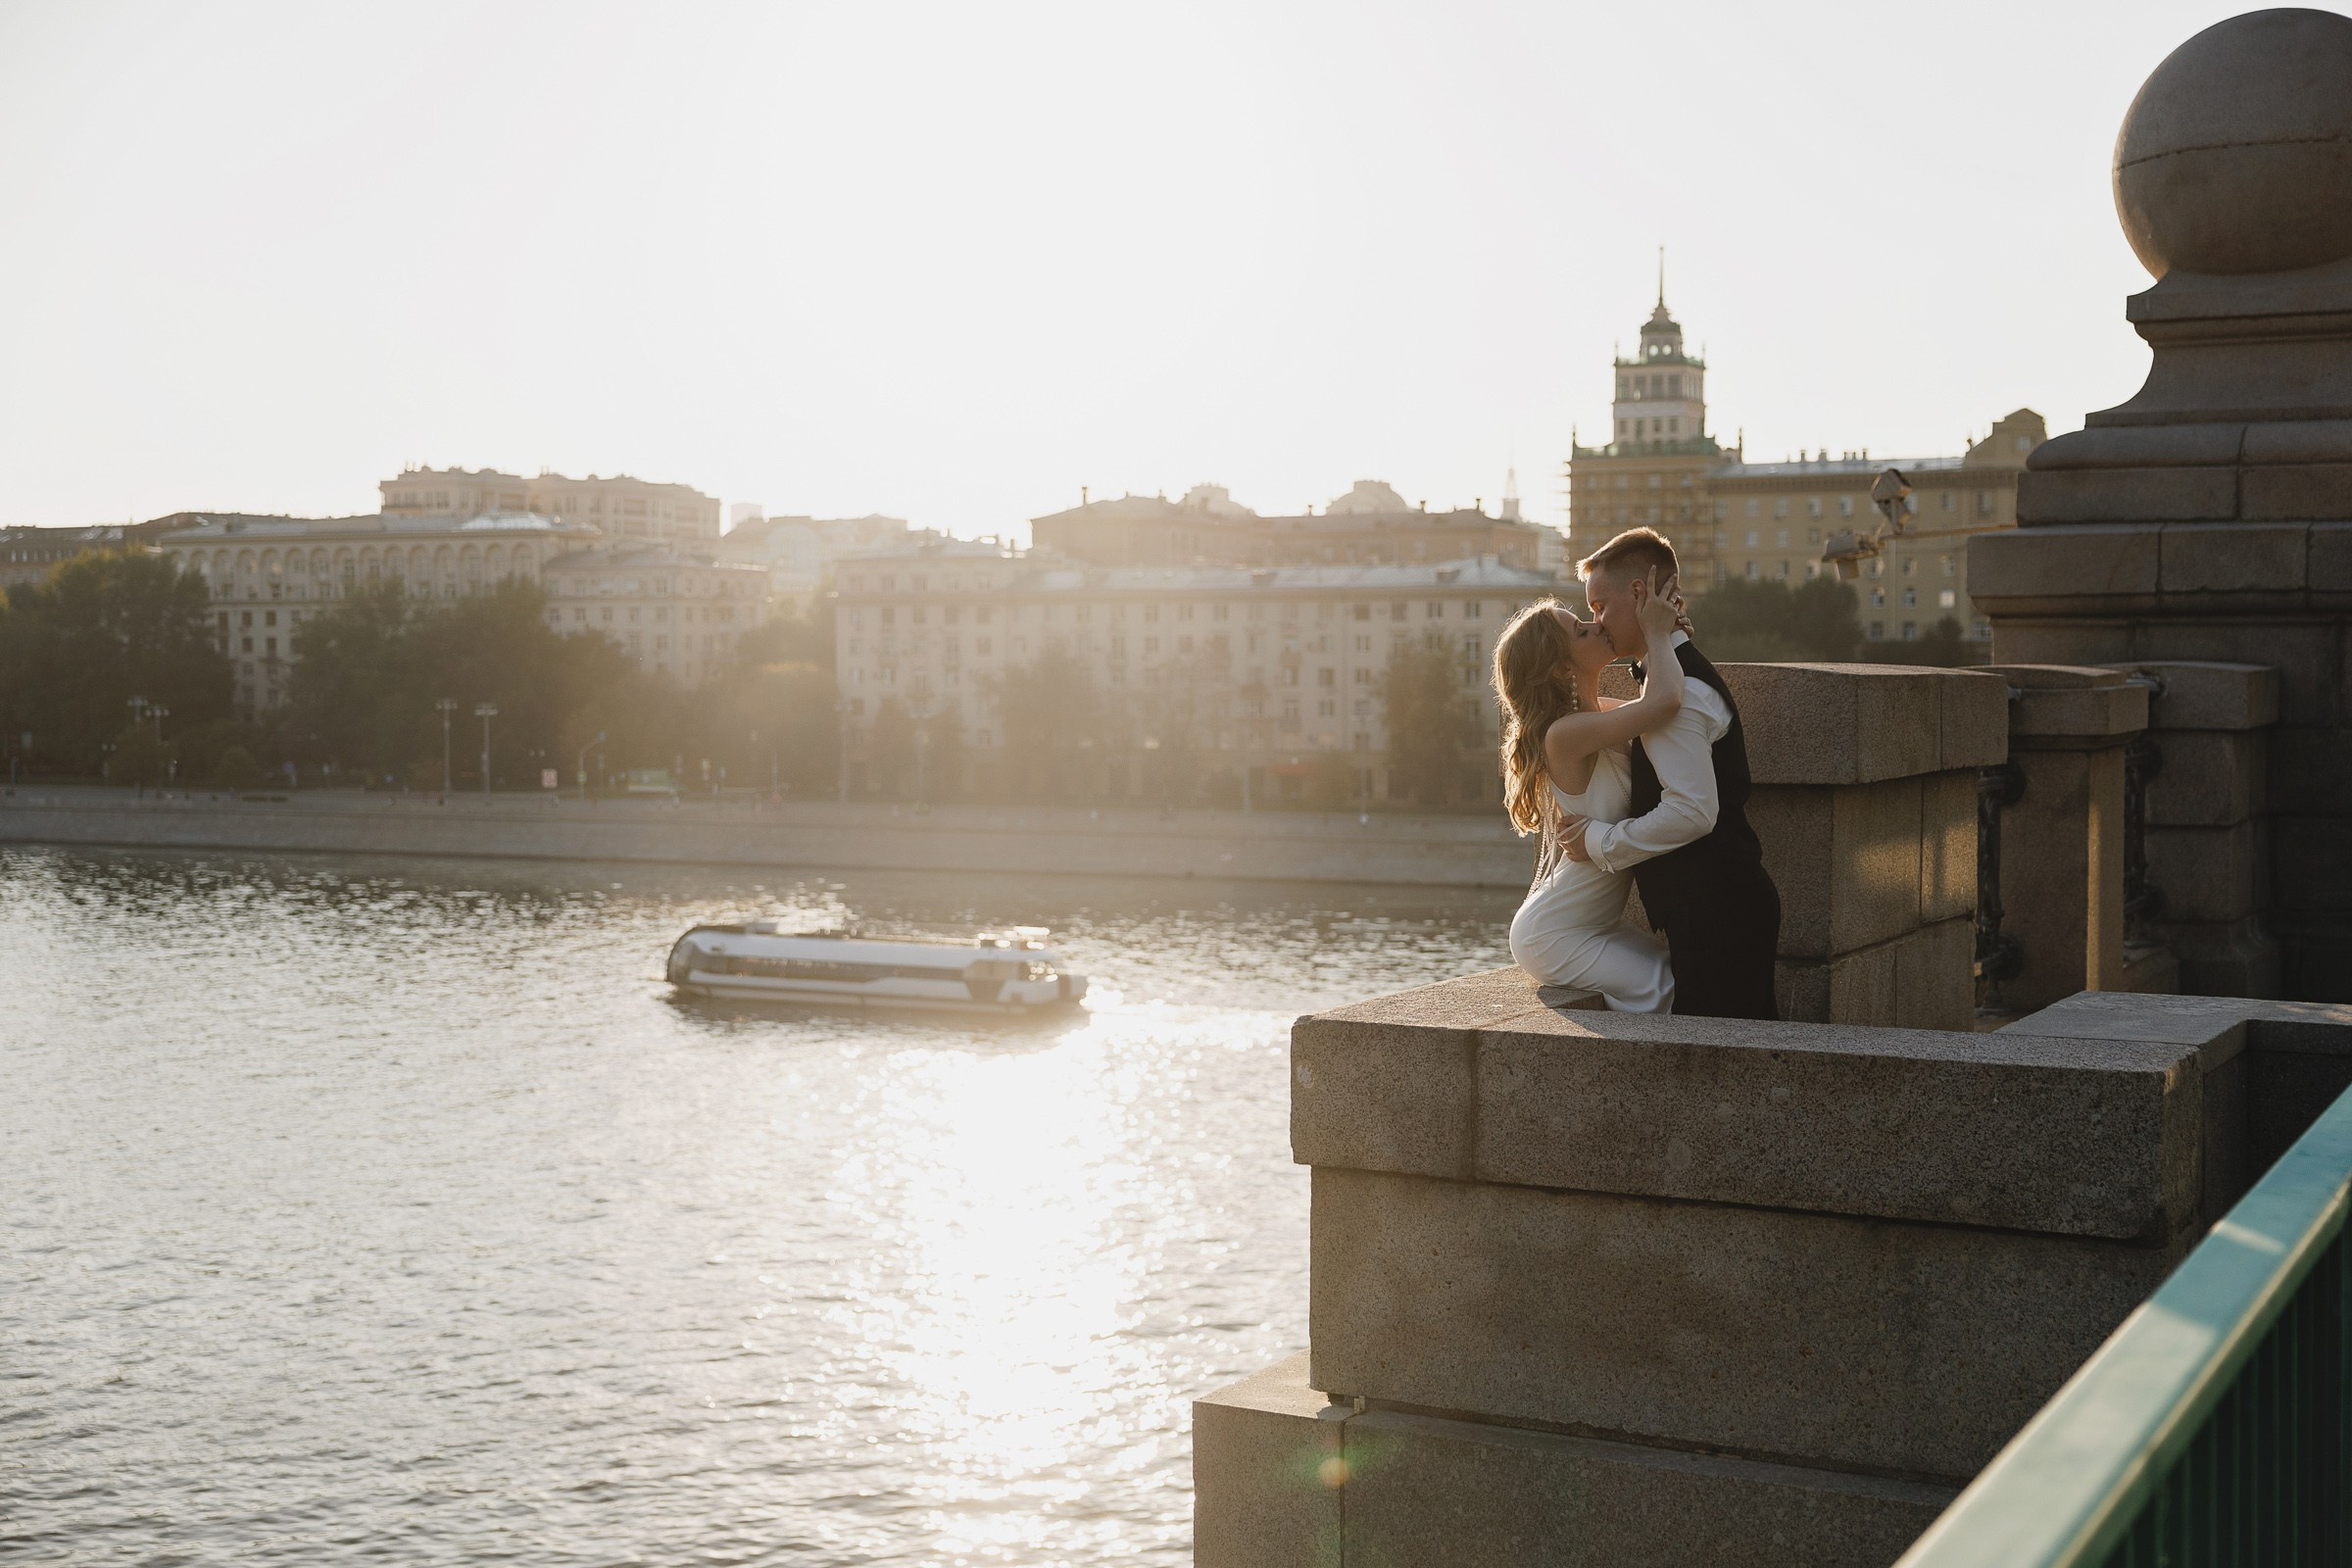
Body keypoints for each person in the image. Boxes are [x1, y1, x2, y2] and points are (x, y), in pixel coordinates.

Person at [1561, 526, 1783, 1020]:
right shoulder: (1673, 677)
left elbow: (1692, 812)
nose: (1597, 622)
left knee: (1718, 1061)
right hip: (1722, 909)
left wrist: (1600, 841)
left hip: (1717, 914)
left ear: (1639, 594)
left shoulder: (1679, 694)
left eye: (1600, 606)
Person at [1493, 572, 1690, 1010]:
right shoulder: (1564, 735)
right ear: (1563, 668)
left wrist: (1668, 637)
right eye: (1581, 631)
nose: (1596, 625)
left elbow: (1659, 697)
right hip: (1553, 934)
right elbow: (1665, 701)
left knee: (1687, 972)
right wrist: (1659, 636)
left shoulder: (1601, 715)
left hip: (1595, 922)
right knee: (1667, 992)